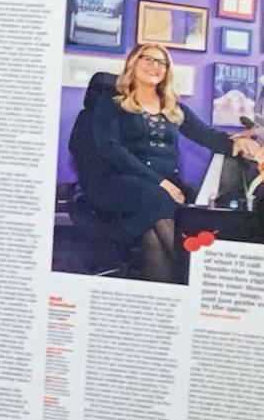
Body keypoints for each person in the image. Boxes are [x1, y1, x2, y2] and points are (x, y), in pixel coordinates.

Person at [70, 39, 264, 279]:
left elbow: (206, 135)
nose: (155, 66)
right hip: (120, 182)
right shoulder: (113, 103)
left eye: (162, 62)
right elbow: (112, 150)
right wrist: (161, 183)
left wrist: (237, 143)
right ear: (133, 62)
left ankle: (162, 298)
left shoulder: (173, 106)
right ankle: (196, 275)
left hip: (161, 186)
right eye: (148, 59)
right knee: (159, 200)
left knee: (155, 236)